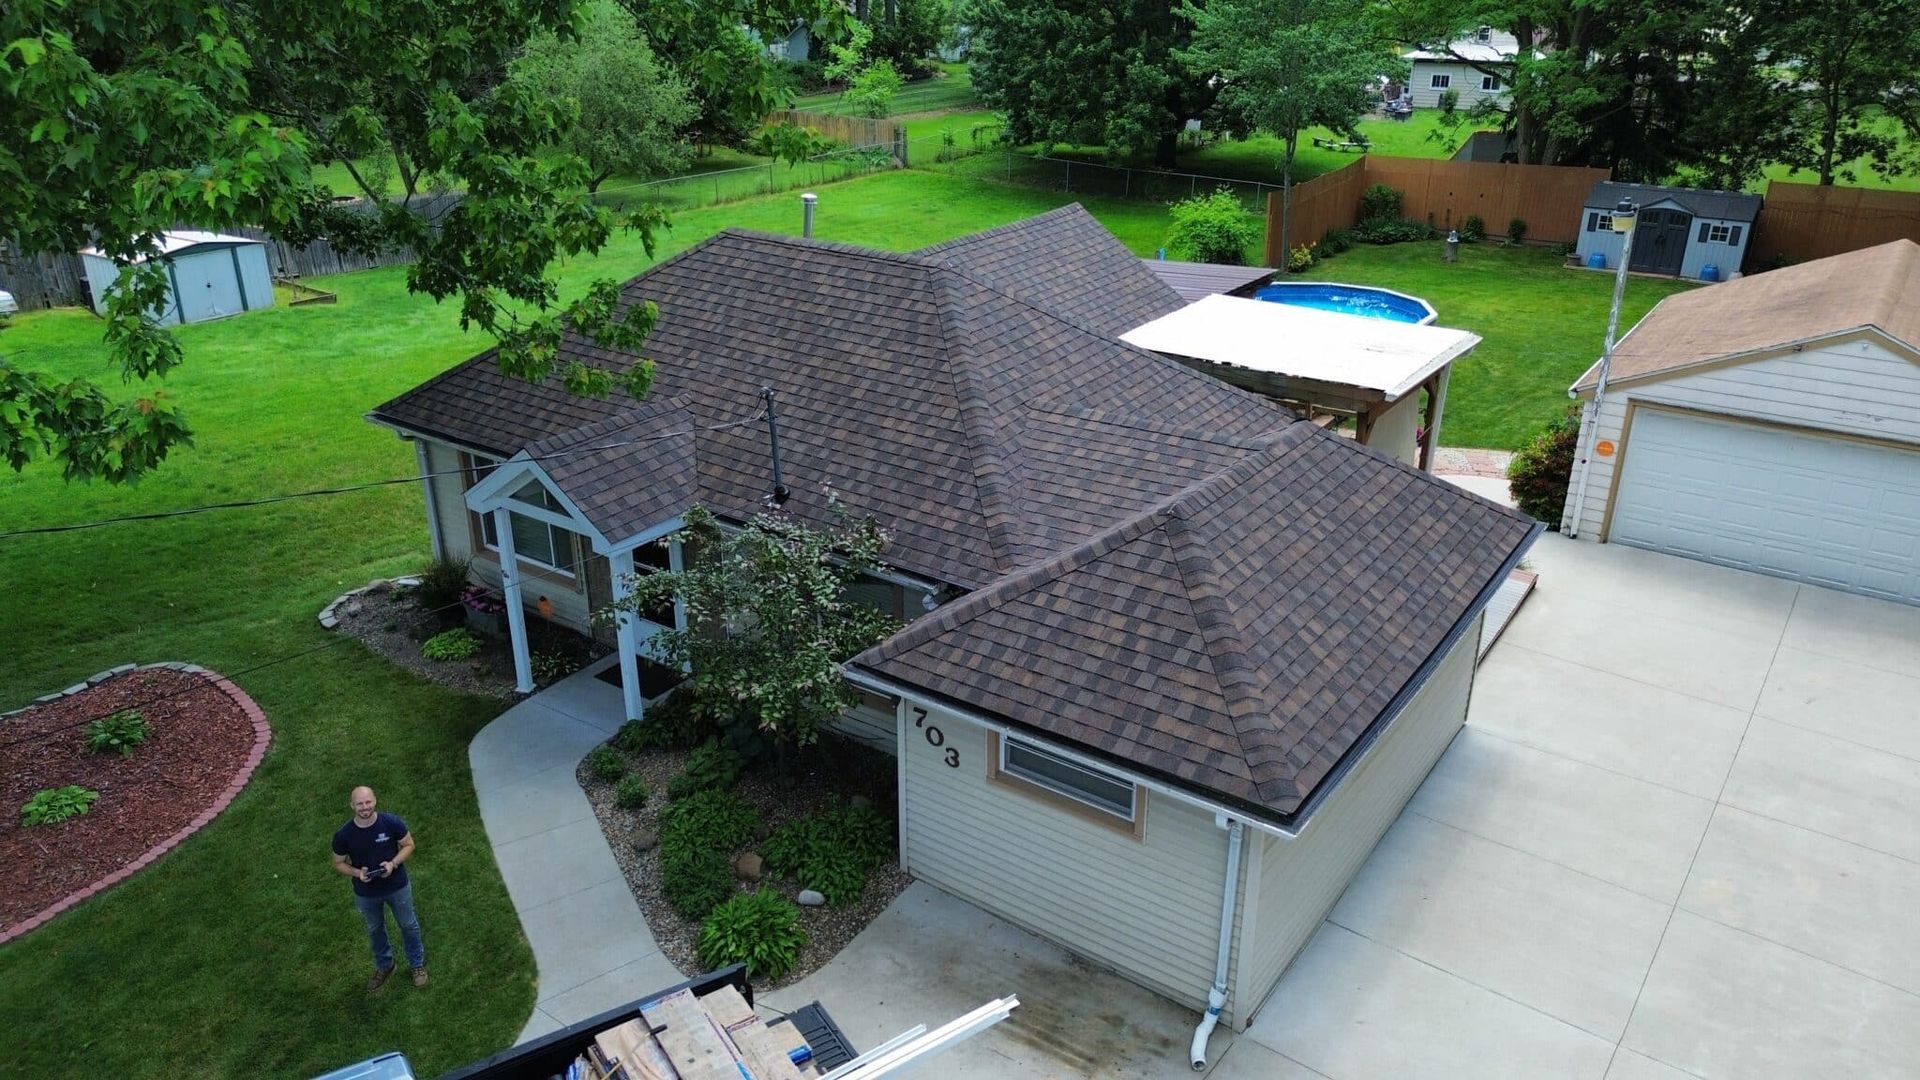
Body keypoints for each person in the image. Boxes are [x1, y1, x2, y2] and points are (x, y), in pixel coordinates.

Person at [331, 786, 427, 991]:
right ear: (352, 806)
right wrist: (358, 873)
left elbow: (409, 844)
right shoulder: (344, 834)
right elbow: (338, 862)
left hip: (397, 886)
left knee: (408, 925)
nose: (364, 807)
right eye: (359, 803)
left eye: (368, 802)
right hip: (366, 893)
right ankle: (385, 965)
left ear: (375, 801)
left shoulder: (390, 823)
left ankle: (417, 964)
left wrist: (393, 864)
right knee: (375, 929)